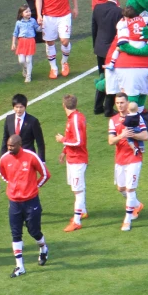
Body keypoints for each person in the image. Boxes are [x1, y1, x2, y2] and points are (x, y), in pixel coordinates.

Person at [0, 135, 50, 277]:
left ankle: (43, 248)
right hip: (14, 202)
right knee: (15, 234)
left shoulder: (31, 157)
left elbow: (45, 174)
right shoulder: (4, 159)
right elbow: (3, 174)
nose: (9, 148)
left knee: (34, 231)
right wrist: (13, 187)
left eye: (12, 146)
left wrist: (33, 187)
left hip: (31, 202)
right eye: (8, 146)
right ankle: (19, 266)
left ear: (19, 144)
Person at [108, 93, 148, 231]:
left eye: (122, 102)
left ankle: (127, 220)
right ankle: (137, 205)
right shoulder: (113, 120)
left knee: (130, 189)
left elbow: (145, 135)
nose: (120, 105)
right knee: (121, 188)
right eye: (117, 103)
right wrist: (121, 136)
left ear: (127, 103)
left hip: (134, 157)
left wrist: (133, 135)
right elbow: (110, 141)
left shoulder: (137, 117)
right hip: (120, 158)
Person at [35, 0, 78, 79]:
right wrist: (39, 14)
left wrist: (75, 7)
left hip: (64, 14)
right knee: (49, 42)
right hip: (48, 15)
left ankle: (64, 62)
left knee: (65, 41)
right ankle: (53, 68)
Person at [55, 94, 89, 231]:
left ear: (64, 105)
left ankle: (77, 221)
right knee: (76, 188)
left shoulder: (75, 119)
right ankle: (83, 211)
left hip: (78, 160)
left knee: (78, 190)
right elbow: (72, 137)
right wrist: (64, 151)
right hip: (72, 158)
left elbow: (78, 141)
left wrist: (62, 140)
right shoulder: (74, 118)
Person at [91, 0, 122, 115]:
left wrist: (96, 46)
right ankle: (108, 109)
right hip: (112, 51)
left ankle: (98, 106)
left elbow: (94, 29)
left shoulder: (97, 8)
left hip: (99, 48)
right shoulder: (120, 12)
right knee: (112, 78)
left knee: (102, 76)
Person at [1, 93, 45, 161]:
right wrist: (2, 158)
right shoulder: (8, 119)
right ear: (13, 107)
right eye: (16, 107)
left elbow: (40, 143)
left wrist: (42, 161)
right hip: (13, 158)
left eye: (21, 107)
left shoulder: (33, 121)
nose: (19, 110)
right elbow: (5, 140)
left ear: (25, 106)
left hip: (28, 158)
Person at [11, 5, 40, 83]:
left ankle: (28, 76)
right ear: (21, 14)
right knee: (21, 60)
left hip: (30, 41)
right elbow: (15, 33)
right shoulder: (18, 23)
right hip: (22, 42)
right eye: (26, 11)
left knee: (28, 60)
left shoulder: (33, 21)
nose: (28, 13)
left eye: (29, 11)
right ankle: (25, 68)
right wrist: (13, 43)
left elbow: (37, 28)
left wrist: (43, 26)